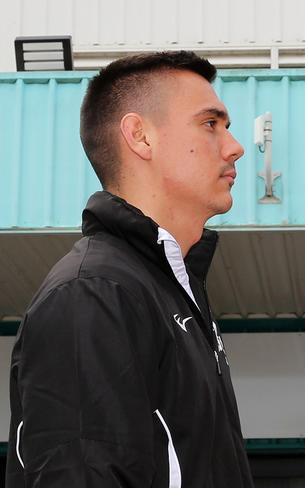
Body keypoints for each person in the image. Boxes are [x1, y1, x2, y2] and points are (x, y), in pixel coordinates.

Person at [5, 51, 254, 487]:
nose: (234, 147)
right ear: (140, 137)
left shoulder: (168, 291)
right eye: (210, 124)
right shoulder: (93, 295)